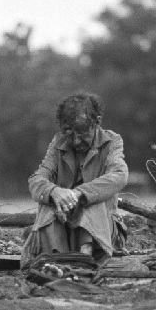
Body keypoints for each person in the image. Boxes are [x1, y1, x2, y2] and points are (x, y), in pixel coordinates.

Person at [21, 91, 129, 266]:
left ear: (97, 122)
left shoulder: (112, 142)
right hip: (64, 231)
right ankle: (54, 261)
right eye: (69, 134)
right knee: (47, 204)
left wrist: (79, 194)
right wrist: (54, 192)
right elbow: (36, 180)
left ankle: (84, 259)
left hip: (102, 236)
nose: (76, 141)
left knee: (94, 201)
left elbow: (119, 175)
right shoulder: (58, 144)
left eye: (82, 133)